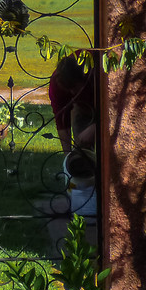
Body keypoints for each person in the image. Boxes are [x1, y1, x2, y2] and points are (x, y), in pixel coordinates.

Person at [48, 54, 99, 217]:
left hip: (109, 108)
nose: (71, 92)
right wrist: (68, 157)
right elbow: (61, 119)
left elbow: (119, 107)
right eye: (68, 89)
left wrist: (96, 127)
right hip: (84, 109)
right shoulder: (57, 83)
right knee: (83, 156)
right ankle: (89, 200)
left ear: (85, 76)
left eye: (74, 88)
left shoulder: (98, 72)